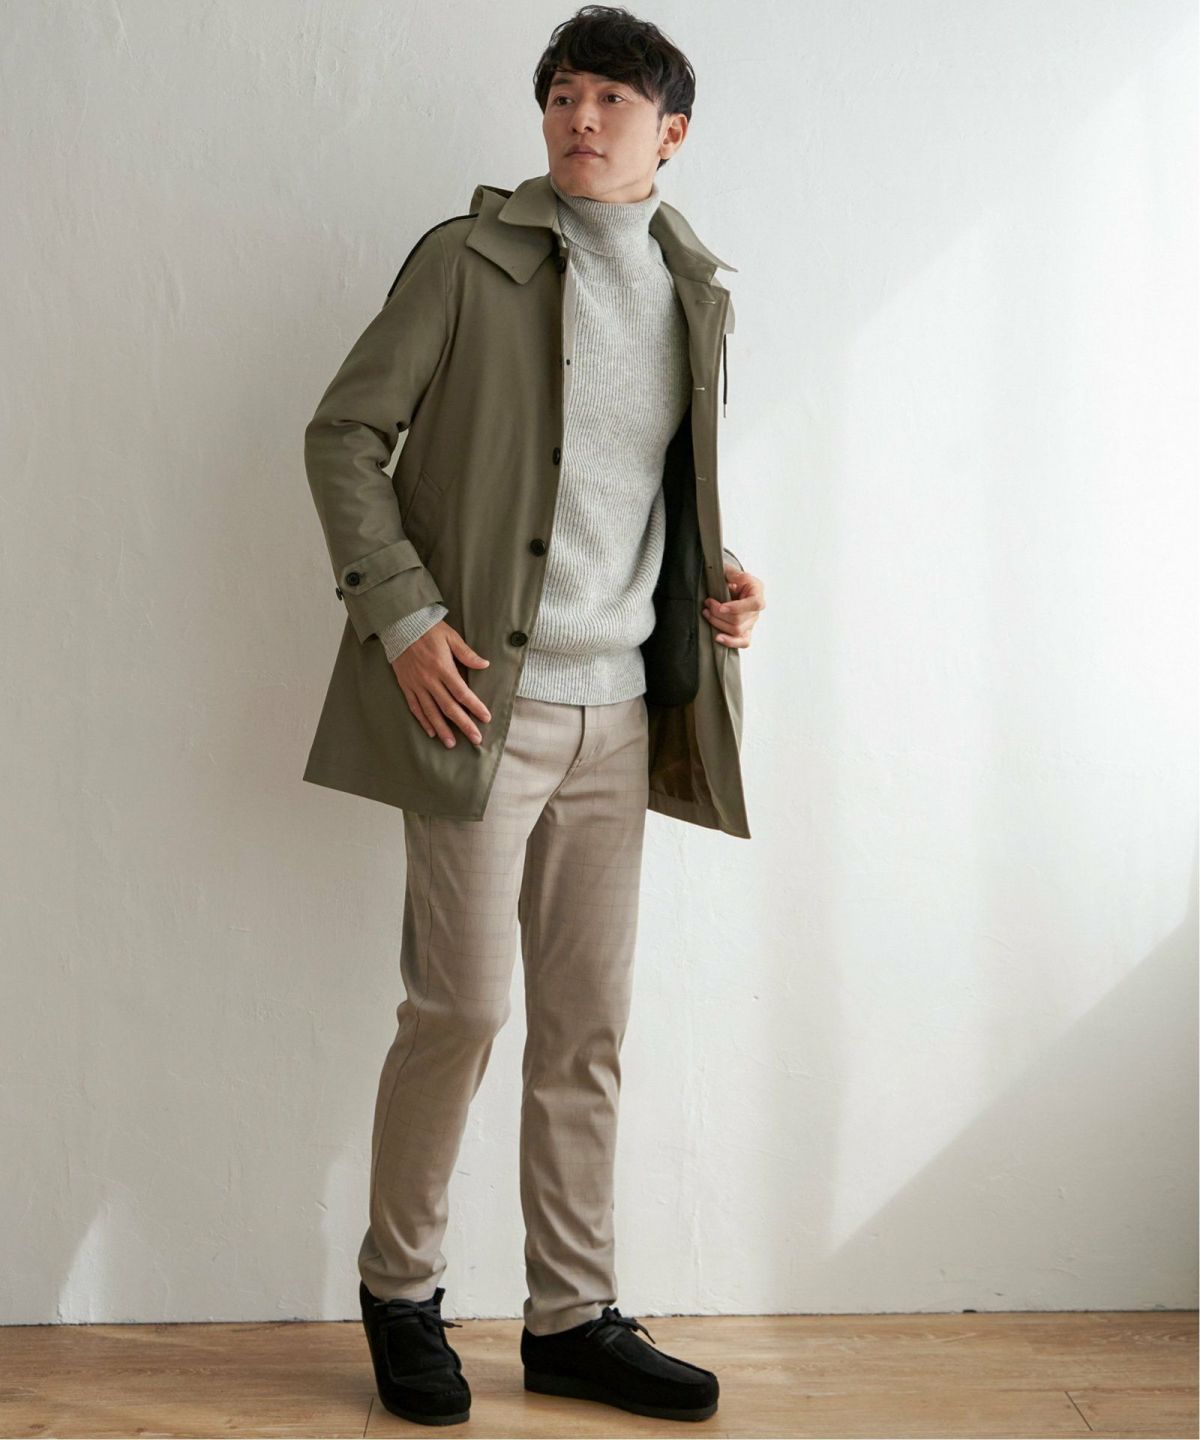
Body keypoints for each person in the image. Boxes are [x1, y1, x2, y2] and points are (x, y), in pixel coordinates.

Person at [303, 4, 765, 1426]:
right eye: (563, 93)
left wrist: (720, 582)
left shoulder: (697, 292)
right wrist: (402, 616)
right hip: (479, 709)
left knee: (586, 1029)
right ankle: (401, 1294)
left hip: (621, 714)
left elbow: (636, 490)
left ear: (669, 132)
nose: (579, 118)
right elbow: (344, 435)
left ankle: (572, 1318)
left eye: (611, 99)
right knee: (460, 1008)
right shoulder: (468, 261)